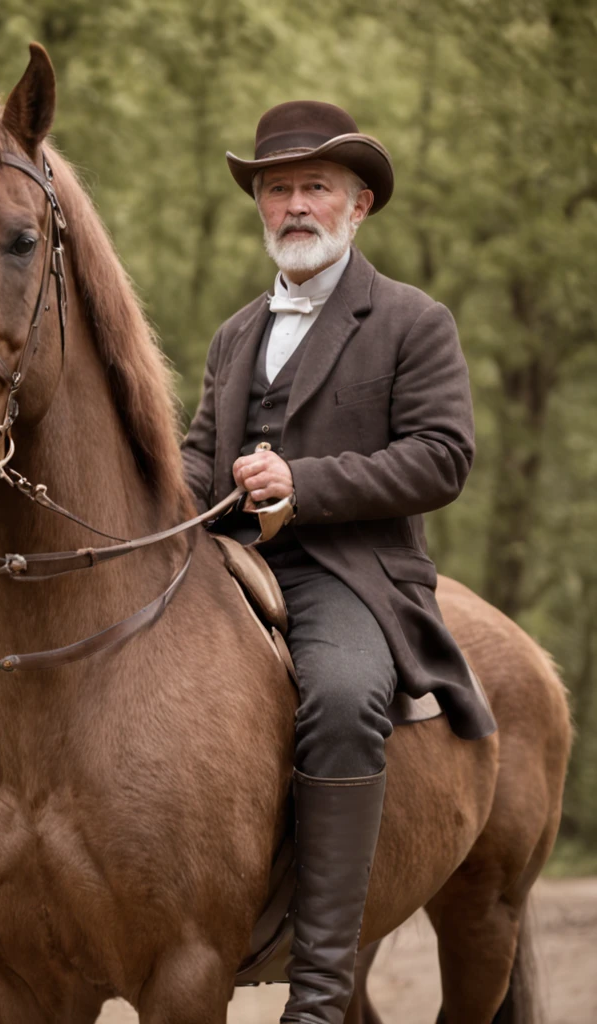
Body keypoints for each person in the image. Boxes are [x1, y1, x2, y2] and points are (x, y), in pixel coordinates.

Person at [180, 99, 496, 1023]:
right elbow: (202, 458)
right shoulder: (235, 334)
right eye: (277, 189)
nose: (295, 205)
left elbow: (444, 455)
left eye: (316, 186)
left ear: (358, 205)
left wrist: (303, 483)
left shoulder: (412, 320)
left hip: (349, 573)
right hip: (226, 556)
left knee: (349, 697)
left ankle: (319, 992)